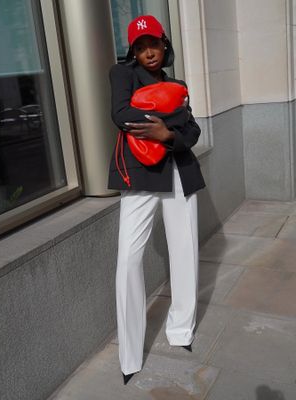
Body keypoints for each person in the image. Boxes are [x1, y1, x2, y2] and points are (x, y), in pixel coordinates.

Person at [108, 15, 206, 385]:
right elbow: (121, 114)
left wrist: (169, 132)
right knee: (128, 260)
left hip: (179, 168)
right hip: (141, 175)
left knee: (184, 252)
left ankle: (181, 330)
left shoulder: (177, 83)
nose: (149, 51)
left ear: (165, 44)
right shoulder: (122, 75)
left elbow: (192, 131)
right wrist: (171, 118)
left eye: (155, 43)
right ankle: (130, 355)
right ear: (133, 50)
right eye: (140, 45)